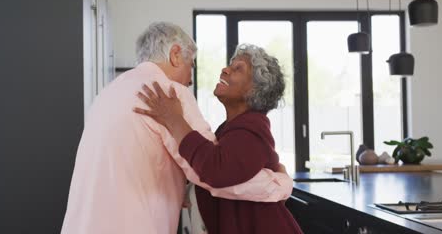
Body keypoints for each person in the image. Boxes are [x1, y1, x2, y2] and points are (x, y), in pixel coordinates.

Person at [61, 22, 293, 234]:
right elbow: (212, 173)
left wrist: (181, 186)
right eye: (190, 66)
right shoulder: (169, 94)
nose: (190, 79)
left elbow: (207, 165)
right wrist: (281, 184)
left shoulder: (108, 93)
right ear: (175, 55)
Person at [135, 43, 303, 234]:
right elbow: (226, 175)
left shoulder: (253, 127)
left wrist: (175, 120)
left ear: (255, 90)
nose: (225, 69)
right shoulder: (232, 128)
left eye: (237, 68)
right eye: (230, 65)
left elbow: (216, 170)